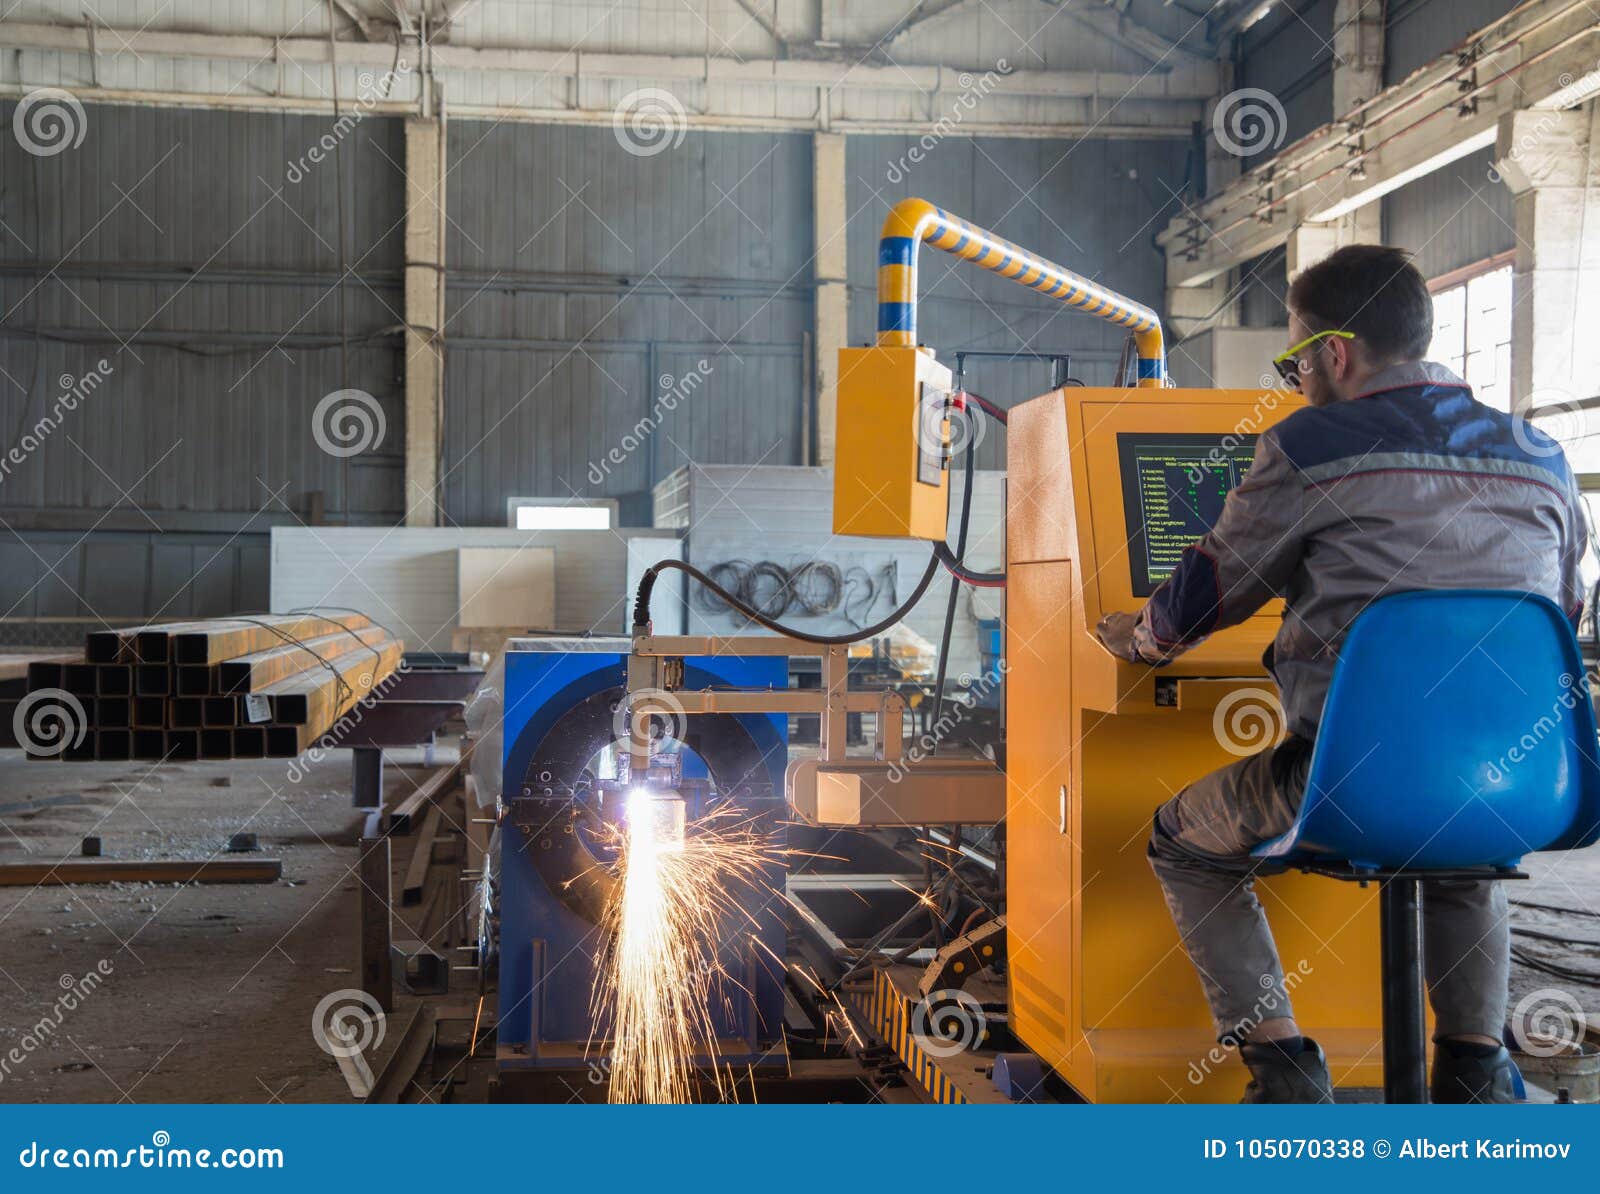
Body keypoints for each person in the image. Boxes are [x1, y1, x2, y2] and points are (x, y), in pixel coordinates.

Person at [1096, 244, 1587, 1104]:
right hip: (1521, 784)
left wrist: (1137, 638)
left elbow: (1210, 590)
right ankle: (1475, 1071)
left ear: (1334, 353)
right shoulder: (1541, 455)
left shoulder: (1308, 445)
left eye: (1295, 361)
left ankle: (1284, 1067)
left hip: (1351, 787)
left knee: (1183, 840)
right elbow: (1560, 618)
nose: (1295, 383)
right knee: (1465, 843)